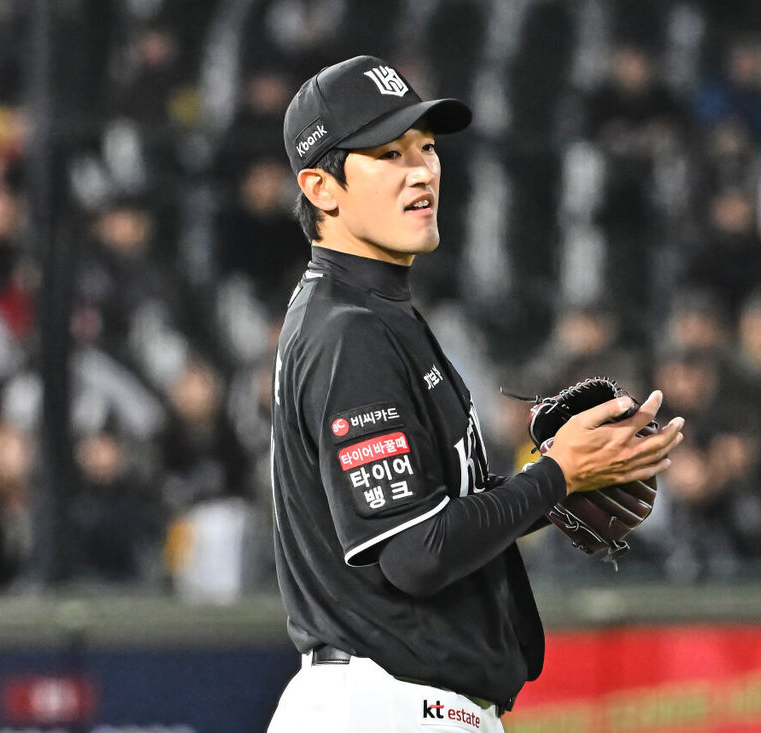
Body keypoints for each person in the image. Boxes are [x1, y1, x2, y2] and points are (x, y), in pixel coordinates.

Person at [266, 55, 686, 732]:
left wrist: (560, 488)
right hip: (384, 706)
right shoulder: (351, 332)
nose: (423, 170)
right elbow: (415, 552)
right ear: (321, 187)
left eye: (425, 148)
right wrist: (555, 476)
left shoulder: (374, 316)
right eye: (387, 154)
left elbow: (434, 523)